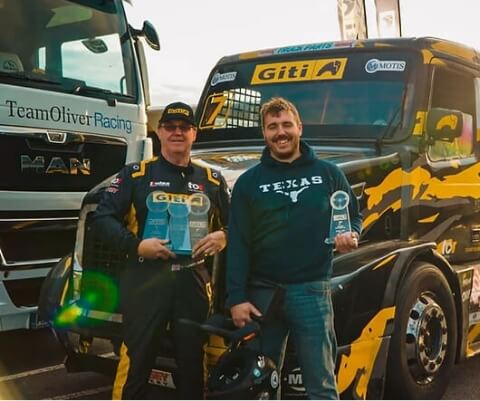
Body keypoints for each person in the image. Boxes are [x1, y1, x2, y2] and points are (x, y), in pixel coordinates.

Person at [226, 97, 361, 399]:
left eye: (287, 124)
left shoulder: (328, 173)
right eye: (272, 127)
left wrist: (350, 234)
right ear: (264, 133)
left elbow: (352, 216)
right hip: (262, 295)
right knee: (260, 384)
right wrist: (236, 298)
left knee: (322, 385)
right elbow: (238, 243)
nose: (280, 132)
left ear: (299, 127)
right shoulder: (249, 182)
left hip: (311, 291)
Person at [93, 101, 230, 399]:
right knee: (136, 362)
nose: (177, 133)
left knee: (193, 364)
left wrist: (223, 236)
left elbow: (238, 228)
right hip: (145, 280)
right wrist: (136, 245)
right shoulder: (135, 175)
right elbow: (102, 219)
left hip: (192, 282)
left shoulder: (212, 180)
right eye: (170, 127)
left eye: (184, 128)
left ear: (194, 133)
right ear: (159, 132)